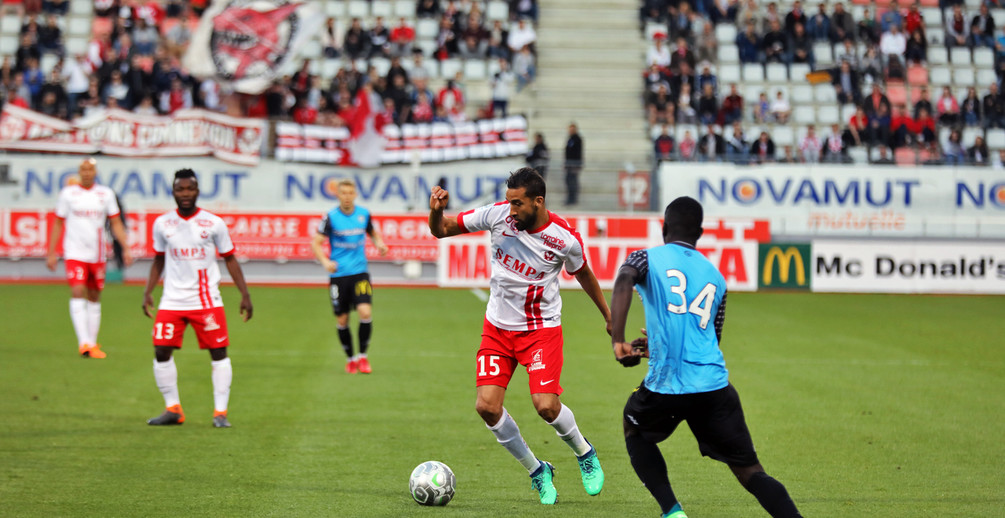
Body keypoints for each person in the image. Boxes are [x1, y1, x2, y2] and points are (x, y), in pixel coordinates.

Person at [609, 196, 803, 518]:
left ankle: (672, 511)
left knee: (634, 429)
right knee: (751, 472)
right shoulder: (716, 277)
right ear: (700, 231)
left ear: (664, 227)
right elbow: (710, 338)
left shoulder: (644, 258)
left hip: (667, 386)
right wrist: (653, 347)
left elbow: (624, 279)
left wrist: (618, 340)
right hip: (713, 387)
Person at [427, 168, 610, 505]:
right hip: (497, 328)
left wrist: (609, 316)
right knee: (486, 406)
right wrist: (436, 210)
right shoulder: (497, 215)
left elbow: (583, 273)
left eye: (518, 204)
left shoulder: (564, 237)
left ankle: (584, 453)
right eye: (509, 202)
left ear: (538, 201)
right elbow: (442, 231)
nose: (511, 210)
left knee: (545, 406)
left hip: (541, 330)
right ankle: (537, 470)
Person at [142, 169, 253, 428]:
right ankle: (173, 409)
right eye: (180, 189)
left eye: (189, 189)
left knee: (218, 353)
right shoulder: (163, 223)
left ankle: (220, 413)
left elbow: (231, 259)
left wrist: (244, 294)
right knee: (160, 350)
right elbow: (159, 259)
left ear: (198, 191)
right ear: (173, 192)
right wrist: (148, 290)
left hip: (207, 301)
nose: (185, 194)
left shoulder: (213, 223)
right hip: (172, 300)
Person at [46, 158, 133, 359]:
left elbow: (116, 223)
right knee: (77, 290)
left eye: (90, 169)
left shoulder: (105, 194)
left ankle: (92, 343)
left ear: (95, 172)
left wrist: (126, 247)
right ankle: (83, 342)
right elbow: (58, 223)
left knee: (94, 296)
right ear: (79, 172)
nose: (86, 173)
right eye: (83, 169)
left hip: (97, 254)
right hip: (74, 252)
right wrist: (52, 252)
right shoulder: (68, 194)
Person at [311, 179, 389, 374]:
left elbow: (373, 233)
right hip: (339, 276)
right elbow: (316, 243)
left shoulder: (363, 214)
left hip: (360, 273)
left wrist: (379, 243)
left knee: (365, 313)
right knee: (342, 320)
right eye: (343, 193)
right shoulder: (331, 217)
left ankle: (363, 357)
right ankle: (350, 358)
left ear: (355, 195)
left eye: (350, 193)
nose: (347, 196)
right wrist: (325, 262)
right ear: (337, 195)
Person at [564, 123, 583, 206]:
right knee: (568, 180)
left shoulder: (577, 139)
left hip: (574, 164)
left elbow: (578, 152)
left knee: (573, 181)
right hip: (569, 164)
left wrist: (577, 164)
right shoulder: (570, 139)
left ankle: (573, 199)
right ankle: (570, 198)